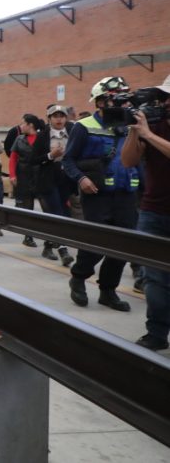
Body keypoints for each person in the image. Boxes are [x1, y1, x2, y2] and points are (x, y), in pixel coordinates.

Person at [62, 76, 140, 312]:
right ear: (100, 102)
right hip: (97, 193)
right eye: (114, 99)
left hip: (127, 193)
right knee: (97, 243)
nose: (120, 104)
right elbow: (68, 160)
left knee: (123, 245)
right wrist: (81, 178)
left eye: (123, 98)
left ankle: (108, 290)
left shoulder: (132, 126)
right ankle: (78, 276)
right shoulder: (83, 127)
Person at [121, 74, 170, 351]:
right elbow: (128, 161)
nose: (165, 103)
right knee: (155, 279)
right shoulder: (154, 125)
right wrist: (134, 131)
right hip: (153, 211)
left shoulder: (155, 130)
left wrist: (150, 135)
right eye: (164, 97)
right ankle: (157, 333)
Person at [32, 105, 76, 266]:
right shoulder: (43, 136)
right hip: (48, 179)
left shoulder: (72, 133)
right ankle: (63, 250)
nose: (59, 119)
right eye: (55, 116)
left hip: (66, 178)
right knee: (57, 213)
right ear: (49, 118)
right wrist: (51, 155)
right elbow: (34, 159)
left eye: (62, 116)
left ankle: (49, 245)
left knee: (65, 212)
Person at [10, 114, 43, 248]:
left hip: (40, 176)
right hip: (23, 175)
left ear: (31, 125)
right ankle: (28, 236)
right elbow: (13, 158)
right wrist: (12, 175)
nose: (21, 126)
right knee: (28, 208)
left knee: (46, 207)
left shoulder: (42, 138)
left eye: (23, 123)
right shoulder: (19, 139)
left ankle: (51, 241)